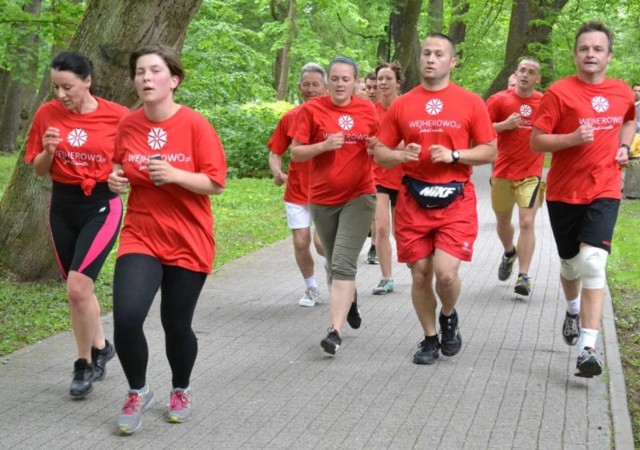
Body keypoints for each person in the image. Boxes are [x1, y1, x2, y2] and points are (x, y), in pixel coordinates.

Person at [107, 44, 227, 434]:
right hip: (141, 234)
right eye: (140, 72)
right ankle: (138, 391)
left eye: (154, 71)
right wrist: (115, 179)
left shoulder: (195, 125)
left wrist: (175, 175)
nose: (145, 78)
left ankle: (181, 389)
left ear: (173, 80)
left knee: (175, 324)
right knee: (126, 318)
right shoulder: (128, 124)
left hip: (188, 237)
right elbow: (119, 164)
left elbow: (215, 183)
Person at [374, 33, 496, 365]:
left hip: (456, 199)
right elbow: (380, 152)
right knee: (419, 273)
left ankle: (449, 315)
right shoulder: (402, 104)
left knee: (445, 273)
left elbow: (489, 150)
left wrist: (456, 155)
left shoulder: (471, 102)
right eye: (426, 52)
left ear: (451, 61)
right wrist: (400, 155)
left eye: (438, 53)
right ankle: (429, 338)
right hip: (413, 198)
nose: (430, 58)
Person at [530, 21, 635, 378]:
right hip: (563, 192)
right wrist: (572, 138)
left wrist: (623, 146)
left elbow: (628, 121)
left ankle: (588, 348)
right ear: (575, 54)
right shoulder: (559, 93)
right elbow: (537, 141)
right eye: (584, 49)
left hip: (605, 187)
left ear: (609, 55)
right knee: (571, 266)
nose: (591, 54)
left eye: (598, 49)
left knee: (593, 263)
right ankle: (572, 309)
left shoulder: (622, 91)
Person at [25, 51, 128, 398]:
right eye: (56, 88)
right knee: (81, 289)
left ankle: (83, 364)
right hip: (62, 206)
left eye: (67, 87)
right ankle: (101, 347)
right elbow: (38, 169)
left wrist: (119, 176)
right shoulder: (46, 114)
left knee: (76, 289)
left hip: (101, 205)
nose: (61, 95)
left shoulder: (118, 117)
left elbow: (128, 163)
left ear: (88, 80)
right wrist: (49, 152)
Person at [291, 56, 378, 355]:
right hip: (323, 198)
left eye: (346, 79)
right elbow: (297, 154)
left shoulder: (368, 109)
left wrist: (380, 148)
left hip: (360, 195)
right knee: (332, 261)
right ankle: (349, 299)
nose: (341, 84)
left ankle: (334, 332)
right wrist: (324, 146)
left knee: (341, 262)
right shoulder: (312, 110)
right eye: (336, 79)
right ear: (328, 82)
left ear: (356, 82)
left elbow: (383, 142)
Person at [268, 63, 326, 307]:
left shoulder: (333, 117)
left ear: (325, 87)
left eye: (315, 85)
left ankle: (334, 266)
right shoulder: (290, 118)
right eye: (306, 85)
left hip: (326, 191)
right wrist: (277, 172)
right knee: (301, 243)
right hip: (297, 191)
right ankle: (311, 287)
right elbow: (275, 152)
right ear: (299, 87)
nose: (311, 89)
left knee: (322, 245)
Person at [486, 58, 544, 296]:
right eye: (522, 70)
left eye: (531, 72)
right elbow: (479, 130)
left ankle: (524, 276)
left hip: (531, 172)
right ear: (516, 73)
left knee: (527, 222)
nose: (525, 75)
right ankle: (509, 252)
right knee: (502, 223)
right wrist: (503, 125)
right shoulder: (499, 100)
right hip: (502, 171)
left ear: (537, 79)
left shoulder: (545, 102)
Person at [370, 61, 404, 295]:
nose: (383, 83)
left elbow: (415, 143)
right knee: (381, 229)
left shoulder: (407, 108)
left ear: (398, 83)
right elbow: (368, 146)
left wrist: (386, 147)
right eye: (380, 78)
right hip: (378, 176)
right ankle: (386, 277)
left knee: (402, 233)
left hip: (405, 178)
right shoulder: (371, 112)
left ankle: (418, 269)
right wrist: (393, 148)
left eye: (388, 79)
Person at [364, 72, 380, 263]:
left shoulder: (391, 109)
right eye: (368, 88)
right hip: (366, 171)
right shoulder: (362, 111)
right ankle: (374, 245)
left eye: (375, 88)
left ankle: (375, 246)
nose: (371, 92)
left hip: (389, 171)